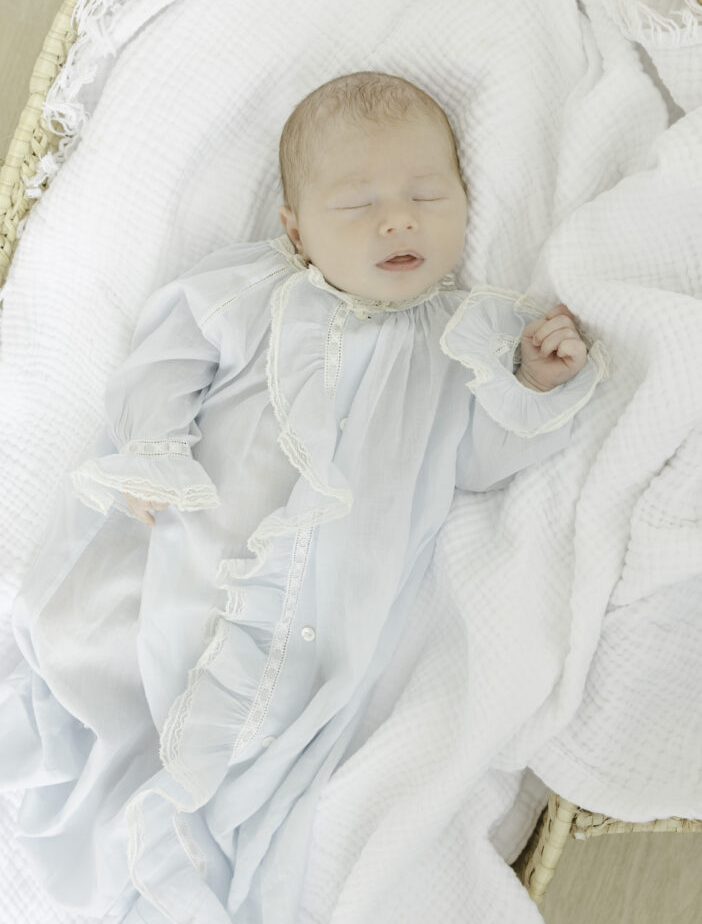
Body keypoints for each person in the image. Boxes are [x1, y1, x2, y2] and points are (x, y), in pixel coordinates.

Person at [2, 71, 607, 924]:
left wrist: (534, 385)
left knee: (264, 761)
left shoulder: (462, 338)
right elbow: (166, 356)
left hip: (326, 619)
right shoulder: (253, 292)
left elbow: (476, 461)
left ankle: (178, 869)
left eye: (427, 195)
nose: (399, 218)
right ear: (295, 231)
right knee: (110, 666)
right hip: (191, 546)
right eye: (358, 205)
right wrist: (152, 448)